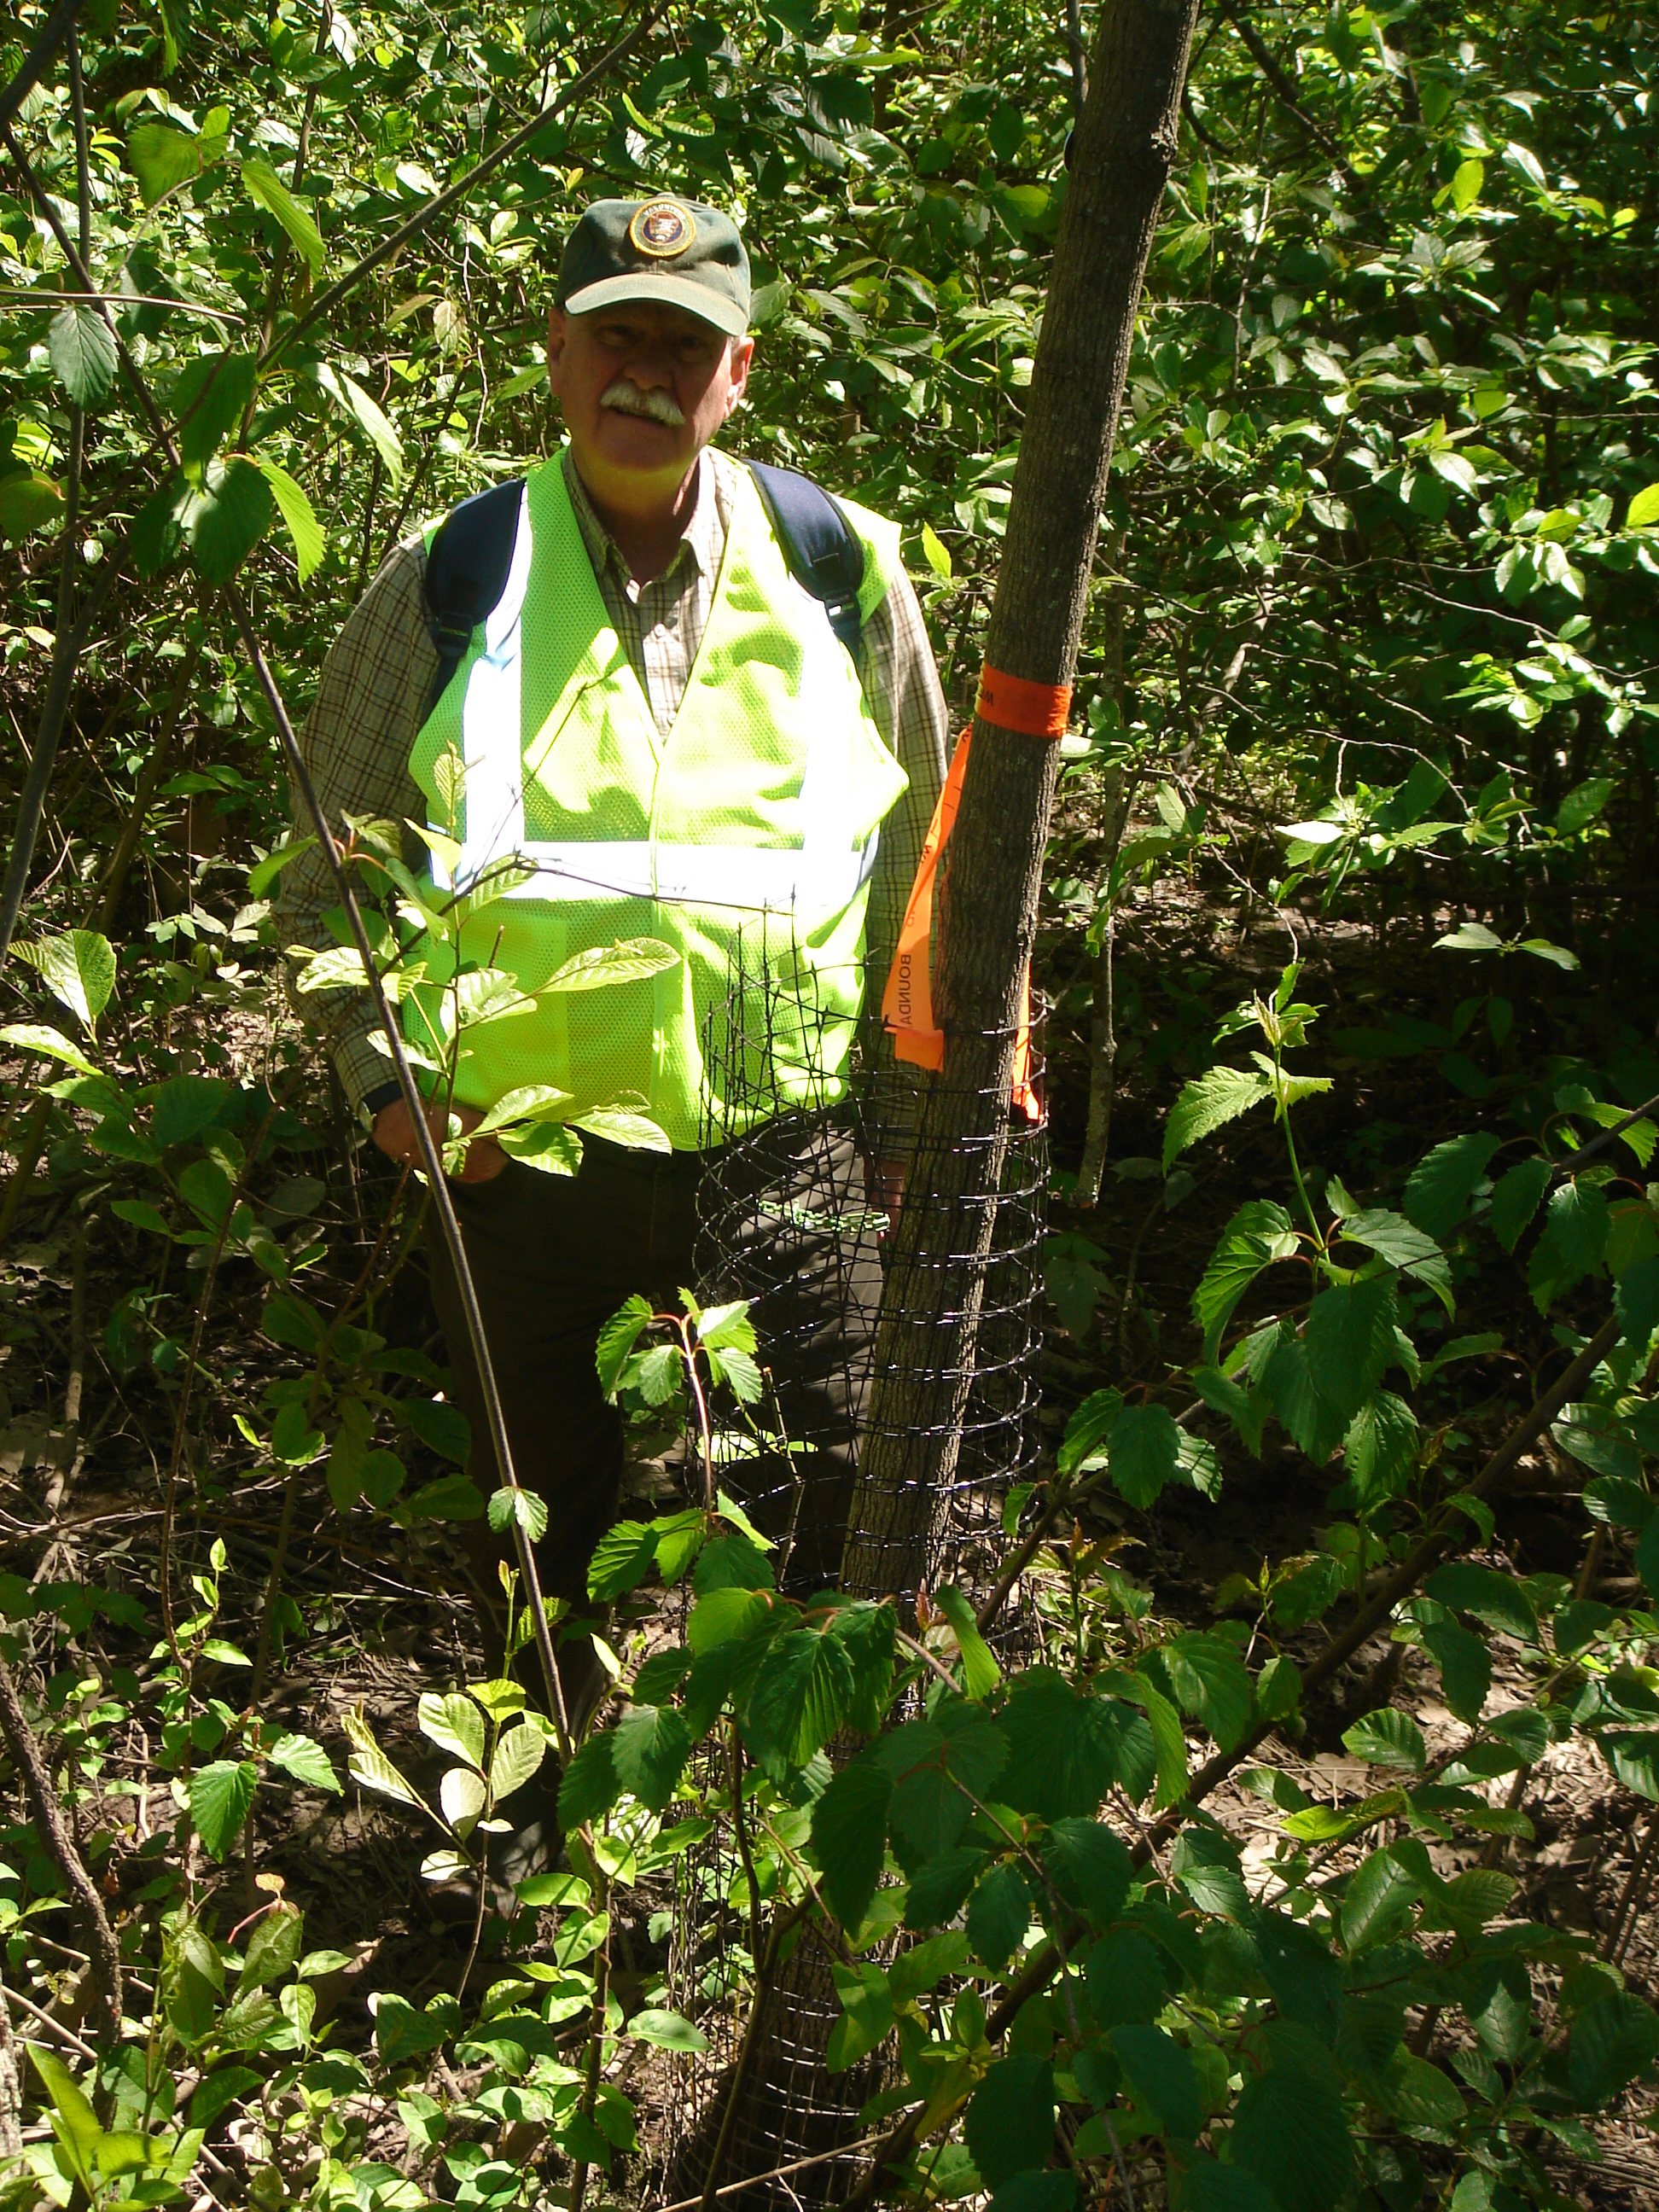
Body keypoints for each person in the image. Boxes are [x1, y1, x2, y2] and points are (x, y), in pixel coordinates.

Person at [280, 195, 950, 1746]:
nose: (646, 371)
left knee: (840, 1488)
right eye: (616, 335)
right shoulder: (455, 573)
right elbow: (328, 872)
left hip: (791, 1144)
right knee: (534, 1520)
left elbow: (935, 865)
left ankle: (797, 1825)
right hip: (518, 1161)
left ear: (742, 372)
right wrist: (392, 1095)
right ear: (560, 350)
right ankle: (541, 1815)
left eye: (686, 343)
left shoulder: (838, 568)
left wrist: (913, 1129)